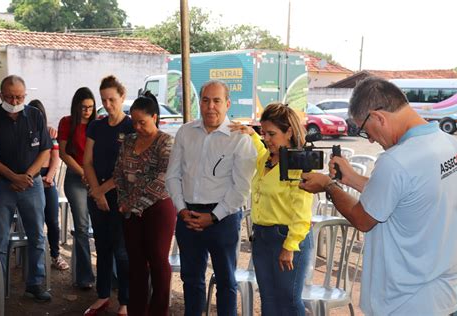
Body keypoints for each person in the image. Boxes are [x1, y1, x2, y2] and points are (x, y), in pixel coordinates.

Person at [300, 77, 457, 315]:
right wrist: (351, 178)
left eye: (365, 132)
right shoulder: (448, 144)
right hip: (443, 293)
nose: (371, 139)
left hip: (404, 301)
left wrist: (328, 186)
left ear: (378, 117)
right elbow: (407, 195)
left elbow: (363, 219)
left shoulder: (396, 161)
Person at [165, 79, 257, 316]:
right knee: (191, 280)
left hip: (223, 218)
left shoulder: (240, 138)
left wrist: (213, 217)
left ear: (227, 104)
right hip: (188, 215)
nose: (210, 107)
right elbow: (172, 176)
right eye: (205, 100)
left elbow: (241, 188)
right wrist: (181, 209)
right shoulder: (186, 132)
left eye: (217, 101)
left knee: (226, 282)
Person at [229, 103, 313, 316]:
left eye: (272, 134)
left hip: (287, 238)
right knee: (268, 299)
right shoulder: (267, 158)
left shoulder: (297, 162)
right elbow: (259, 149)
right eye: (264, 132)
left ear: (289, 132)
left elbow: (302, 211)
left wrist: (290, 246)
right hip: (262, 237)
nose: (266, 138)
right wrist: (252, 134)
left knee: (289, 302)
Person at [0, 75, 52, 304]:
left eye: (20, 96)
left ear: (25, 95)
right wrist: (13, 176)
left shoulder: (35, 116)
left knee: (36, 235)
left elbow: (45, 149)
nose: (15, 101)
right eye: (10, 96)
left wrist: (27, 176)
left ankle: (34, 283)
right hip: (1, 185)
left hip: (31, 185)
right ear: (1, 95)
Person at [114, 92, 177, 316]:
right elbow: (119, 173)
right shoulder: (128, 140)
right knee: (136, 263)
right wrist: (123, 201)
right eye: (134, 122)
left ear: (155, 117)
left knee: (158, 261)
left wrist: (135, 204)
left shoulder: (166, 141)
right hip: (129, 211)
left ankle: (159, 311)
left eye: (143, 122)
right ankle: (137, 310)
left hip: (158, 209)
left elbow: (162, 178)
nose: (138, 127)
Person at [83, 75, 133, 316]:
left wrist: (103, 190)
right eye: (104, 100)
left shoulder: (132, 126)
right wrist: (96, 191)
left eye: (112, 99)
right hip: (97, 194)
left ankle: (125, 300)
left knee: (122, 251)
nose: (108, 104)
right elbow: (87, 161)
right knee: (102, 247)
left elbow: (129, 167)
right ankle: (103, 295)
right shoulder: (96, 126)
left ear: (122, 97)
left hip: (121, 196)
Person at [57, 87, 96, 288]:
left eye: (90, 107)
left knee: (103, 227)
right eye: (83, 107)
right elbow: (63, 153)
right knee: (81, 227)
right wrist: (83, 173)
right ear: (76, 106)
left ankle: (111, 275)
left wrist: (92, 177)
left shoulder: (98, 124)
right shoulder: (66, 122)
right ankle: (84, 276)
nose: (87, 111)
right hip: (76, 177)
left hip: (97, 179)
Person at [28, 99, 69, 271]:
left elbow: (55, 158)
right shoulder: (24, 133)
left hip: (46, 178)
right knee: (34, 222)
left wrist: (50, 177)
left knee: (52, 219)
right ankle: (34, 259)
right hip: (30, 178)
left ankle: (55, 254)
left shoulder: (49, 133)